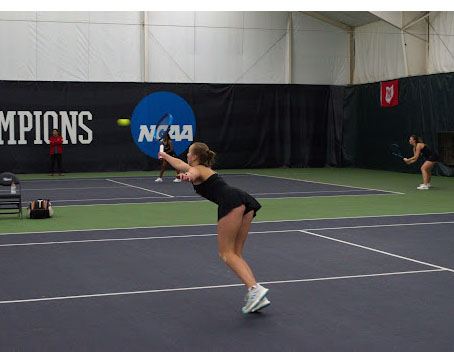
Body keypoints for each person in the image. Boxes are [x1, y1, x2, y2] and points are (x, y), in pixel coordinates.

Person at [158, 142, 270, 313]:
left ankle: (255, 290)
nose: (187, 155)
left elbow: (190, 172)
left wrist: (186, 177)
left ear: (195, 156)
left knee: (226, 253)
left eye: (189, 152)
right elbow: (181, 165)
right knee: (236, 254)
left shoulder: (197, 170)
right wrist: (165, 156)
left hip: (231, 202)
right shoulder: (203, 169)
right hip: (245, 201)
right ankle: (255, 291)